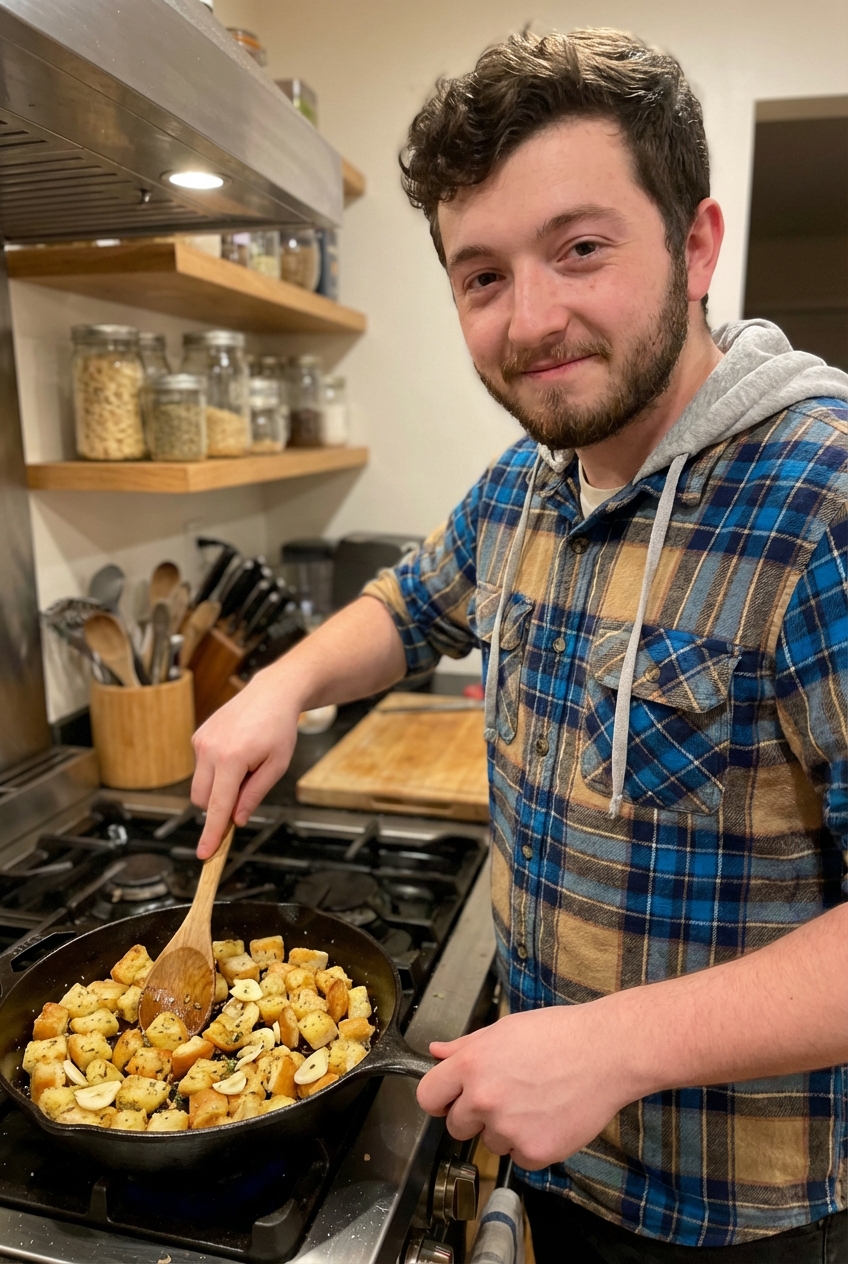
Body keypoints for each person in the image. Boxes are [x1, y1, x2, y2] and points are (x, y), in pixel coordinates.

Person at [191, 29, 848, 1263]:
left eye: (579, 249)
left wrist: (613, 1044)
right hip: (551, 1154)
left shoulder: (822, 500)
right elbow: (409, 604)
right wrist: (280, 684)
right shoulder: (528, 483)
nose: (530, 319)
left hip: (736, 1216)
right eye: (481, 275)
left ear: (694, 245)